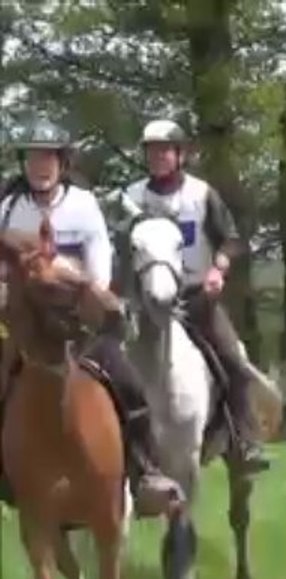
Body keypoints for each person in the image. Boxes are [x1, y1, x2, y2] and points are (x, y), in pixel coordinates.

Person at [0, 119, 184, 517]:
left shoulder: (83, 205)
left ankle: (145, 470)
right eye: (32, 158)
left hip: (77, 322)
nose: (40, 166)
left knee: (127, 380)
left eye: (48, 158)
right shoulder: (9, 210)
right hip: (27, 326)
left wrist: (85, 295)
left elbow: (100, 263)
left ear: (63, 163)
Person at [124, 118, 270, 474]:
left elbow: (231, 240)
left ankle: (244, 440)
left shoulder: (201, 194)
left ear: (180, 155)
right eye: (152, 151)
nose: (158, 157)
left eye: (165, 151)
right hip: (143, 302)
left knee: (233, 357)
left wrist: (218, 270)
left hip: (195, 298)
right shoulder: (132, 197)